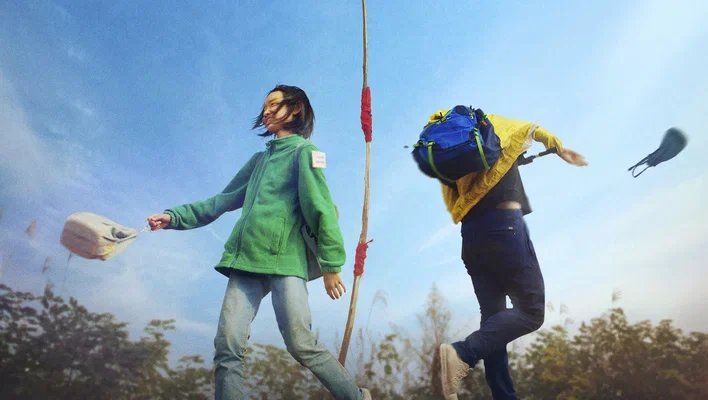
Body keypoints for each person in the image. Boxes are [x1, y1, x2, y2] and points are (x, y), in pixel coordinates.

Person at [147, 85, 371, 400]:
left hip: (285, 262)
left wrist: (331, 265)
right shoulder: (258, 161)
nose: (266, 111)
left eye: (274, 104)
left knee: (301, 343)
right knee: (227, 345)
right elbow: (221, 200)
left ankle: (357, 397)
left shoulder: (305, 152)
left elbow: (320, 207)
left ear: (296, 109)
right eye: (264, 106)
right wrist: (175, 217)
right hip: (246, 261)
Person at [435, 114, 588, 400]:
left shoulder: (446, 151)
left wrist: (513, 162)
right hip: (504, 228)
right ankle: (462, 353)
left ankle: (504, 396)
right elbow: (532, 129)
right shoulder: (489, 124)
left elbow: (460, 195)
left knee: (494, 323)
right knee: (531, 313)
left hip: (471, 237)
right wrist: (558, 148)